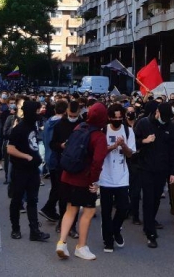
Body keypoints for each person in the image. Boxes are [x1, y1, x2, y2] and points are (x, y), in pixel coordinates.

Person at [55, 102, 108, 260]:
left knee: (70, 209)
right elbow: (98, 162)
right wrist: (94, 181)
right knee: (89, 211)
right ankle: (81, 246)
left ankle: (61, 243)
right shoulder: (99, 136)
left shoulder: (79, 127)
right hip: (84, 179)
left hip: (67, 175)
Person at [134, 101, 174, 248]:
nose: (165, 120)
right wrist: (144, 141)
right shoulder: (144, 123)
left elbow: (173, 151)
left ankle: (150, 221)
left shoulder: (171, 127)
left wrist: (173, 172)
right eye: (163, 117)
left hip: (162, 169)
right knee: (148, 198)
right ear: (157, 112)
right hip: (146, 167)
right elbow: (133, 143)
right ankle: (150, 233)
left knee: (156, 198)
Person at [7, 100, 51, 242]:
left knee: (33, 200)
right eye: (36, 111)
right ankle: (15, 229)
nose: (39, 114)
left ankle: (34, 231)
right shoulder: (18, 129)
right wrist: (26, 156)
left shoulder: (33, 126)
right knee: (17, 200)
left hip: (33, 171)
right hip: (20, 171)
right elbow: (10, 148)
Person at [98, 103, 135, 253]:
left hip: (122, 176)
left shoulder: (128, 131)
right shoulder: (103, 131)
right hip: (105, 176)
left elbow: (130, 154)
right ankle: (108, 240)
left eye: (120, 117)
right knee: (106, 210)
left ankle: (115, 229)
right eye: (115, 118)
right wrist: (113, 146)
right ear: (109, 117)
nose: (118, 120)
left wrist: (123, 145)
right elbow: (99, 153)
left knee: (124, 208)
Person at [49, 100, 84, 235]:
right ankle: (62, 222)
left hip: (77, 166)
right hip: (62, 164)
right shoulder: (59, 125)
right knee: (63, 196)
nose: (72, 117)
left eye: (75, 116)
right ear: (67, 111)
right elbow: (52, 144)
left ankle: (73, 225)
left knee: (74, 198)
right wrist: (61, 145)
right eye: (71, 114)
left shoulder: (82, 126)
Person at [40, 100, 68, 223]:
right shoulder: (60, 124)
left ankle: (50, 209)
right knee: (59, 187)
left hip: (49, 157)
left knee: (56, 186)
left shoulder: (49, 122)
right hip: (56, 158)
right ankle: (48, 208)